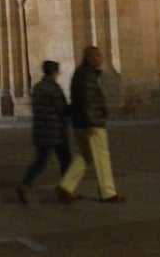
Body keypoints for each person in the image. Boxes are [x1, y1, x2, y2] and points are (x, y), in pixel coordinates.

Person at [56, 46, 124, 203]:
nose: (101, 59)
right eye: (98, 56)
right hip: (91, 123)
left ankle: (66, 186)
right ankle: (108, 193)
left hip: (80, 122)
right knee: (102, 156)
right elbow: (88, 101)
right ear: (90, 58)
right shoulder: (87, 76)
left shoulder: (81, 74)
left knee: (86, 155)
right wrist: (92, 122)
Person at [17, 60, 71, 202]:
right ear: (54, 72)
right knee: (66, 160)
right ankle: (66, 189)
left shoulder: (37, 88)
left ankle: (25, 184)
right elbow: (62, 109)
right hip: (56, 131)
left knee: (40, 161)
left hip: (40, 131)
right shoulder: (54, 88)